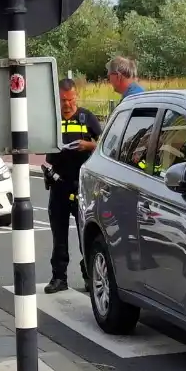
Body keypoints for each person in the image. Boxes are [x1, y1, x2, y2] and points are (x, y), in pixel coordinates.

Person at [42, 78, 103, 294]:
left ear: (76, 96)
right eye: (62, 100)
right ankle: (59, 278)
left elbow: (105, 145)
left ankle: (89, 275)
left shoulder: (86, 117)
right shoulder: (51, 118)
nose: (67, 104)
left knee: (84, 234)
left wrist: (88, 145)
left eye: (70, 99)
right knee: (58, 236)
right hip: (58, 184)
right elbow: (39, 144)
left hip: (82, 186)